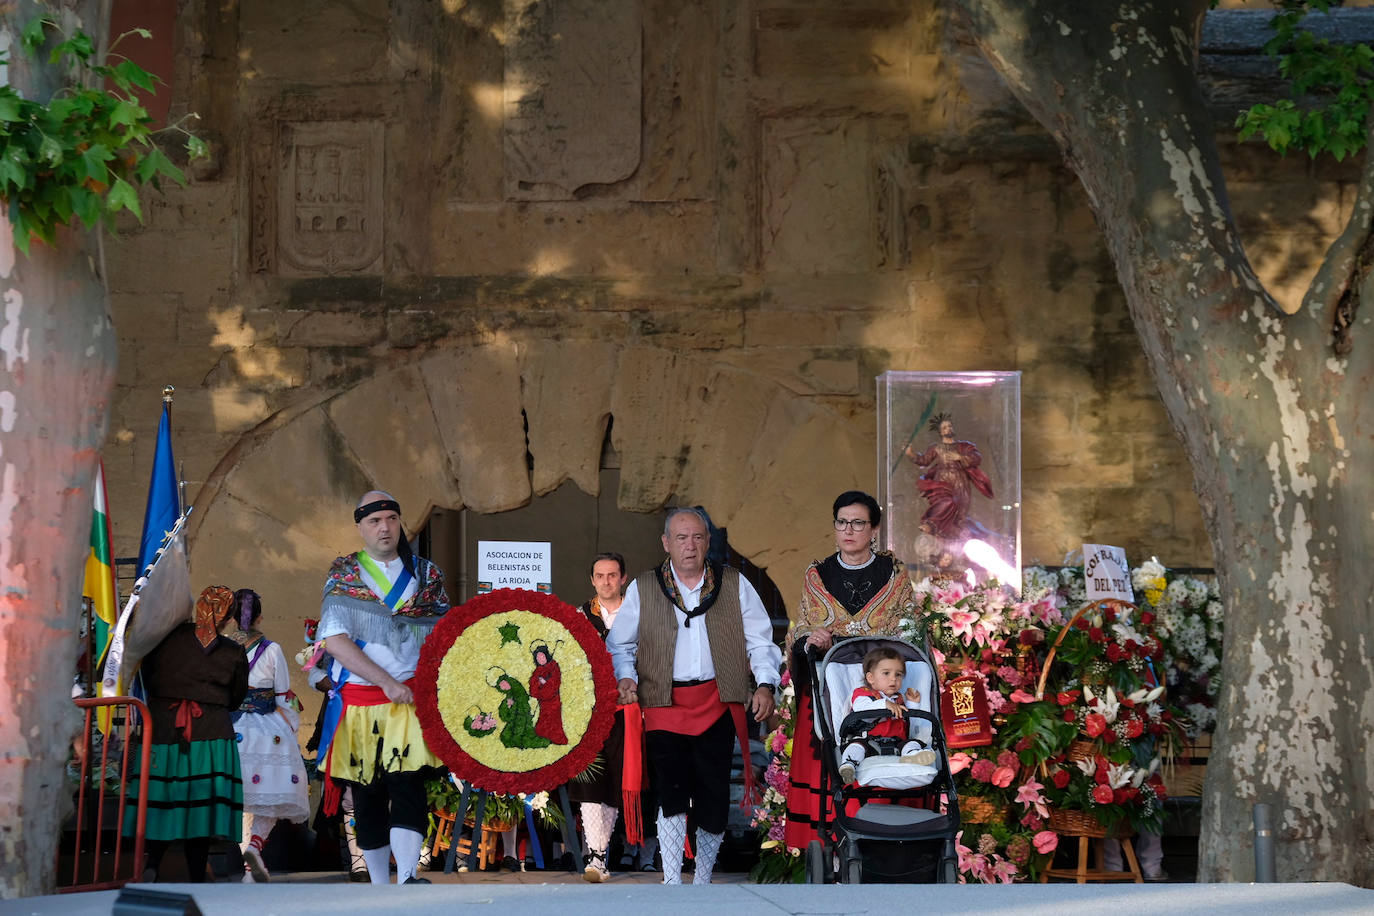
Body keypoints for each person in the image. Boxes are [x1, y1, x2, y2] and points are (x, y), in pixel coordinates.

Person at [607, 508, 782, 885]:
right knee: (671, 788)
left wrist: (766, 683)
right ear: (666, 543)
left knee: (713, 792)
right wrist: (625, 677)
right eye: (682, 538)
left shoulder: (734, 583)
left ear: (708, 542)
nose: (691, 545)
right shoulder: (643, 586)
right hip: (663, 703)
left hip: (717, 701)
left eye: (698, 537)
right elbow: (619, 644)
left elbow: (760, 639)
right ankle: (672, 880)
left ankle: (701, 880)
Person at [317, 490, 450, 885]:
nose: (384, 527)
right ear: (360, 527)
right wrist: (386, 682)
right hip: (361, 701)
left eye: (391, 518)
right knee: (367, 792)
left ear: (400, 522)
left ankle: (407, 876)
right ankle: (378, 884)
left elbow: (445, 637)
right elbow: (333, 641)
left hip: (408, 701)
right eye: (374, 521)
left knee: (408, 785)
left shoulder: (426, 574)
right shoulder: (345, 573)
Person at [783, 490, 918, 849]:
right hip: (829, 694)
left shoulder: (894, 574)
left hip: (886, 692)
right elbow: (799, 635)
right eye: (842, 522)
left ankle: (887, 847)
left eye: (858, 523)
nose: (849, 530)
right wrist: (812, 638)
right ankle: (828, 850)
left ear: (874, 529)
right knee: (829, 769)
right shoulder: (818, 575)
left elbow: (912, 633)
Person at [126, 585, 248, 882]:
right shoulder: (233, 652)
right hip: (211, 735)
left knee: (164, 800)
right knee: (200, 809)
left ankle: (153, 865)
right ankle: (196, 875)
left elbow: (148, 678)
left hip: (163, 730)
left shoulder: (164, 641)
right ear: (228, 617)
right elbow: (236, 697)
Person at [567, 552, 648, 882]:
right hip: (590, 710)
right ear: (592, 580)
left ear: (623, 578)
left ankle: (602, 854)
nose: (606, 581)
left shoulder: (639, 615)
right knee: (589, 779)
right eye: (600, 576)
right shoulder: (579, 617)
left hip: (629, 709)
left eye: (612, 575)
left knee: (617, 778)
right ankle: (596, 855)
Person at [229, 588, 310, 882]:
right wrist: (290, 728)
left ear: (230, 617)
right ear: (260, 616)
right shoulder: (272, 649)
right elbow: (283, 694)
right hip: (266, 728)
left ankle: (246, 861)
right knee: (269, 798)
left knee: (241, 801)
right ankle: (254, 849)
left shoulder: (222, 647)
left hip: (232, 730)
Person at [838, 646, 936, 785]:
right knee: (856, 746)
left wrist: (913, 705)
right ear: (870, 677)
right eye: (886, 673)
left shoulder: (899, 699)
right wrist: (884, 704)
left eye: (898, 674)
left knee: (913, 743)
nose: (893, 679)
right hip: (870, 742)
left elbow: (910, 724)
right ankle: (849, 764)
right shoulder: (863, 694)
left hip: (897, 743)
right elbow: (861, 709)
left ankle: (913, 755)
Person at [903, 412, 994, 542]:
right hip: (942, 483)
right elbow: (924, 460)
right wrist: (911, 454)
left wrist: (961, 457)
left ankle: (954, 544)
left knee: (960, 514)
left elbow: (977, 457)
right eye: (945, 427)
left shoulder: (963, 446)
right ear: (940, 432)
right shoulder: (936, 447)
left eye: (950, 426)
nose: (948, 429)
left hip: (960, 482)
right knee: (945, 503)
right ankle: (930, 525)